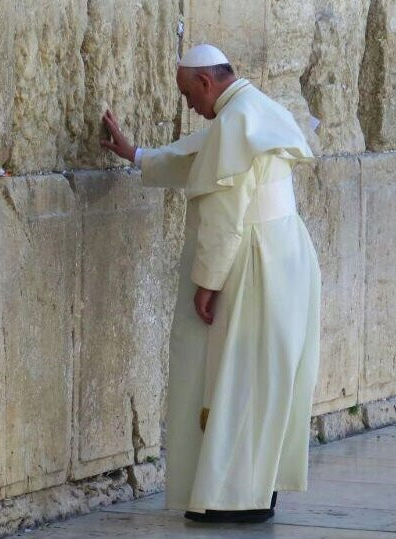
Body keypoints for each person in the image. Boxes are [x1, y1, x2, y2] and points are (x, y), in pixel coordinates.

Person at [100, 44, 321, 524]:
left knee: (237, 374)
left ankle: (230, 498)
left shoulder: (235, 119)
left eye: (187, 94)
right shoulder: (251, 108)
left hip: (253, 261)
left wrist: (208, 282)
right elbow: (198, 155)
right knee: (268, 376)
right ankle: (256, 490)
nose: (188, 106)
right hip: (287, 254)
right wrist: (135, 153)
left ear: (205, 81)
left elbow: (224, 212)